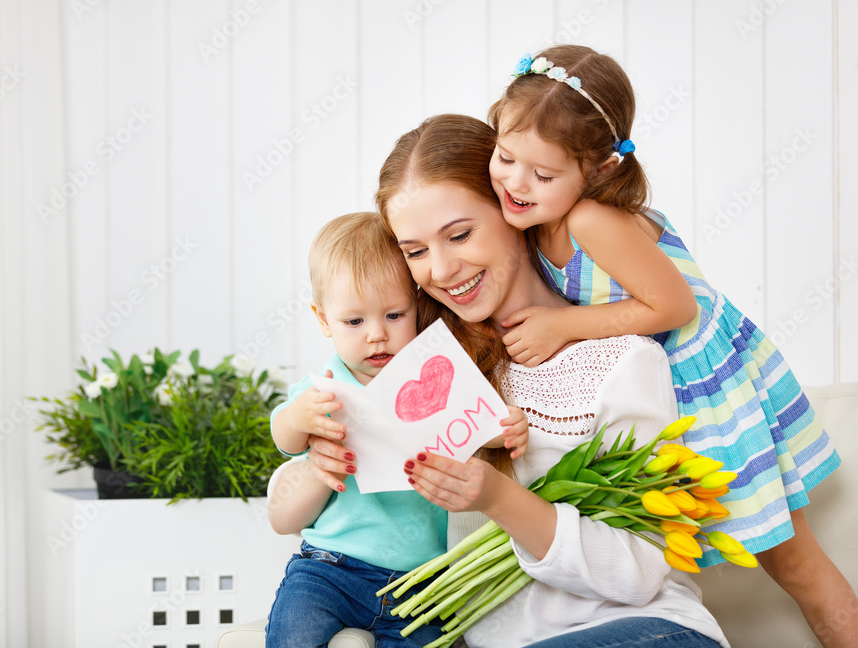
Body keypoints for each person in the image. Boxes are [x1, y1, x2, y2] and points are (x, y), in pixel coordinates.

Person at [274, 114, 729, 647]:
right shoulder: (422, 361)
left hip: (641, 633)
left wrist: (497, 497)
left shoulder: (622, 359)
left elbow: (642, 571)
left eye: (460, 234)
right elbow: (311, 497)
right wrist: (317, 461)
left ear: (515, 211)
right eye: (415, 251)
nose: (440, 269)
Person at [485, 44, 857, 645]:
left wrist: (561, 328)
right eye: (505, 157)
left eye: (543, 174)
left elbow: (674, 306)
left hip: (711, 393)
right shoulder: (535, 214)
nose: (516, 183)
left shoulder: (589, 220)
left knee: (794, 563)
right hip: (661, 389)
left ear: (600, 170)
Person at [264, 211, 528, 648]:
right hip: (331, 567)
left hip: (420, 582)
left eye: (393, 315)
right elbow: (283, 433)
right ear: (323, 319)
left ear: (416, 307)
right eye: (354, 322)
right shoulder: (326, 391)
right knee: (293, 635)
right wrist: (298, 421)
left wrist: (508, 429)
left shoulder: (436, 378)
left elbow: (481, 426)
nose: (376, 336)